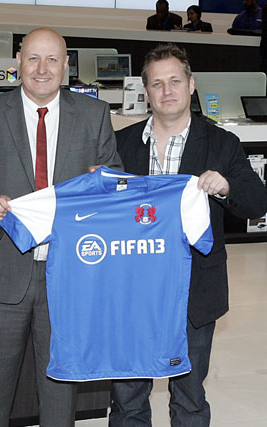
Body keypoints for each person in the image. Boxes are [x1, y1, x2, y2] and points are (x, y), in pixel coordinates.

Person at [0, 27, 122, 427]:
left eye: (52, 59)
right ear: (18, 61)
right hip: (1, 274)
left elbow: (115, 185)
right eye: (33, 58)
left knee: (60, 397)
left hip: (69, 279)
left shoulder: (94, 115)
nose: (42, 69)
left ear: (66, 65)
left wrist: (103, 184)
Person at [109, 43, 267, 426]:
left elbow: (257, 202)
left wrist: (226, 187)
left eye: (175, 81)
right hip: (132, 291)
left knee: (190, 397)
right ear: (146, 91)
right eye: (157, 83)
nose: (167, 91)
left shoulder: (221, 143)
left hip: (195, 290)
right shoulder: (121, 144)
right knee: (127, 399)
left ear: (191, 85)